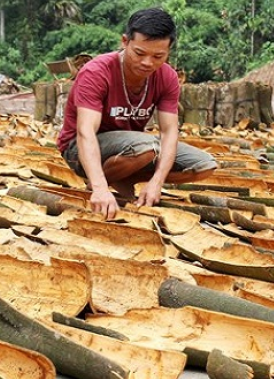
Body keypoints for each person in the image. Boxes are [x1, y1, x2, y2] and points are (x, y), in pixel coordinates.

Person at [57, 7, 217, 220]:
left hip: (132, 148)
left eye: (158, 56)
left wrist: (157, 182)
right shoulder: (96, 72)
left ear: (168, 51)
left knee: (204, 165)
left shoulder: (167, 77)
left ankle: (124, 178)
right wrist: (99, 187)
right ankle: (100, 178)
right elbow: (85, 131)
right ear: (125, 42)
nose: (147, 63)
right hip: (79, 149)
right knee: (148, 147)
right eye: (139, 53)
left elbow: (169, 132)